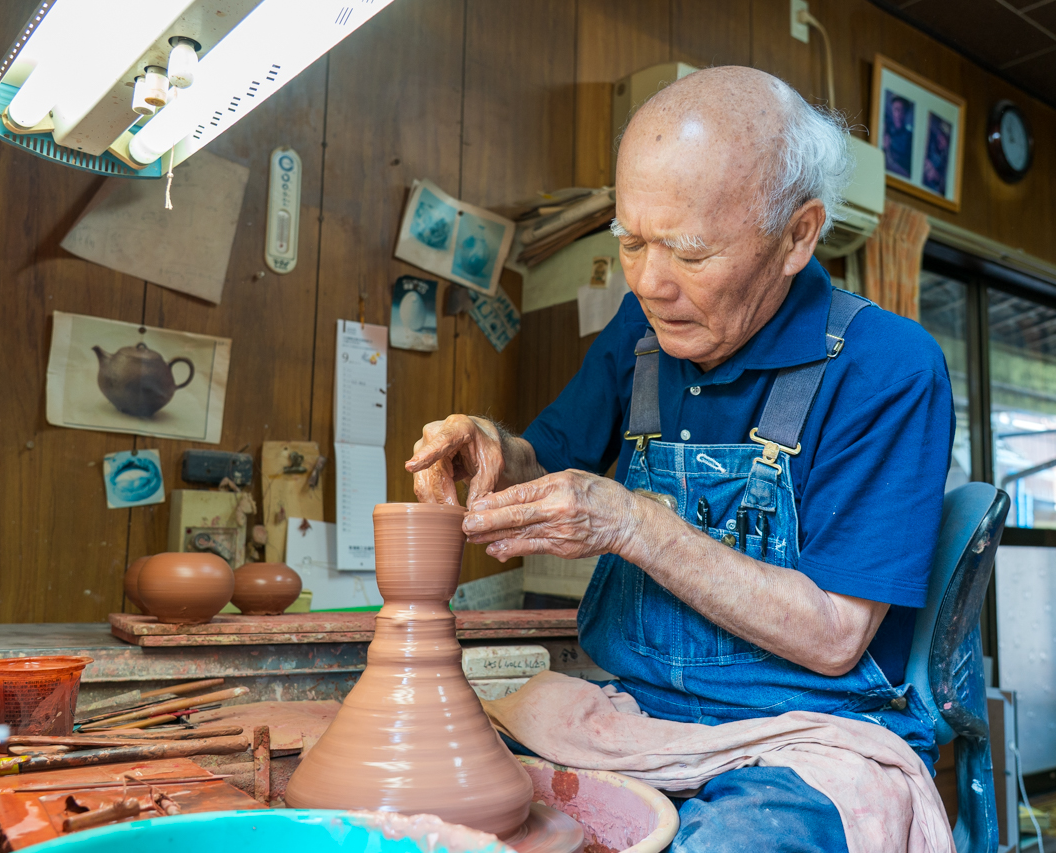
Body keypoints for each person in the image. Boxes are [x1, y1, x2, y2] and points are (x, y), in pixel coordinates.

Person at [406, 66, 954, 852]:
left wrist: (634, 523)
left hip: (805, 739)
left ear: (797, 234)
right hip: (633, 714)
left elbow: (835, 633)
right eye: (631, 241)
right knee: (442, 791)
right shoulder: (641, 335)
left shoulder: (888, 368)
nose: (649, 283)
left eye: (690, 254)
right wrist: (490, 451)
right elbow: (544, 463)